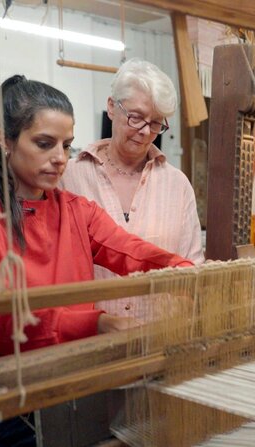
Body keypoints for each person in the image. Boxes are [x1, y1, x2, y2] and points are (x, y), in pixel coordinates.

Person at [0, 74, 193, 358]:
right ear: (5, 140)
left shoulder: (77, 211)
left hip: (78, 372)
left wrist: (183, 269)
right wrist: (95, 323)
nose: (60, 158)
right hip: (14, 384)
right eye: (44, 144)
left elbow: (130, 251)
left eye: (66, 145)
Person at [61, 58, 204, 322]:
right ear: (112, 107)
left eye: (156, 123)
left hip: (158, 338)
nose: (145, 131)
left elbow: (191, 268)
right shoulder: (69, 177)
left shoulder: (177, 185)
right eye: (136, 118)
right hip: (87, 342)